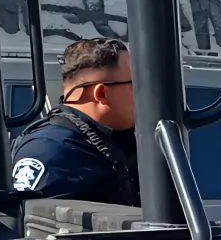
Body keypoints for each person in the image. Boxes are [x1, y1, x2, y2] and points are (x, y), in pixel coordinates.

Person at [9, 37, 140, 204]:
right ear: (101, 94)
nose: (144, 95)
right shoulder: (51, 151)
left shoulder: (127, 139)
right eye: (136, 85)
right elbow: (36, 226)